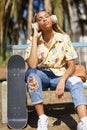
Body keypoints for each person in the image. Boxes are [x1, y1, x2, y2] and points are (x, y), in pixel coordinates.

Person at [25, 10, 87, 130]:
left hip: (61, 74)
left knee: (76, 82)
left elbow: (72, 65)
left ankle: (84, 122)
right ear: (37, 24)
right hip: (41, 75)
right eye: (40, 19)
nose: (44, 19)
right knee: (31, 75)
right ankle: (42, 118)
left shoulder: (63, 38)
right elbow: (32, 65)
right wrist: (34, 39)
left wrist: (62, 81)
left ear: (52, 19)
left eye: (47, 16)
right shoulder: (33, 40)